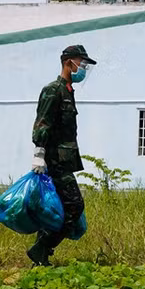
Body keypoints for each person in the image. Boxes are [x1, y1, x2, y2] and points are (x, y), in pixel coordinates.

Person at [27, 44, 97, 267]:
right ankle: (42, 248)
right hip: (54, 162)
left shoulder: (68, 91)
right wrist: (39, 154)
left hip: (65, 161)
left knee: (53, 209)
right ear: (69, 62)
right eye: (81, 63)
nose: (83, 69)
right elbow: (42, 122)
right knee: (74, 206)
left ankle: (41, 258)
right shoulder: (53, 90)